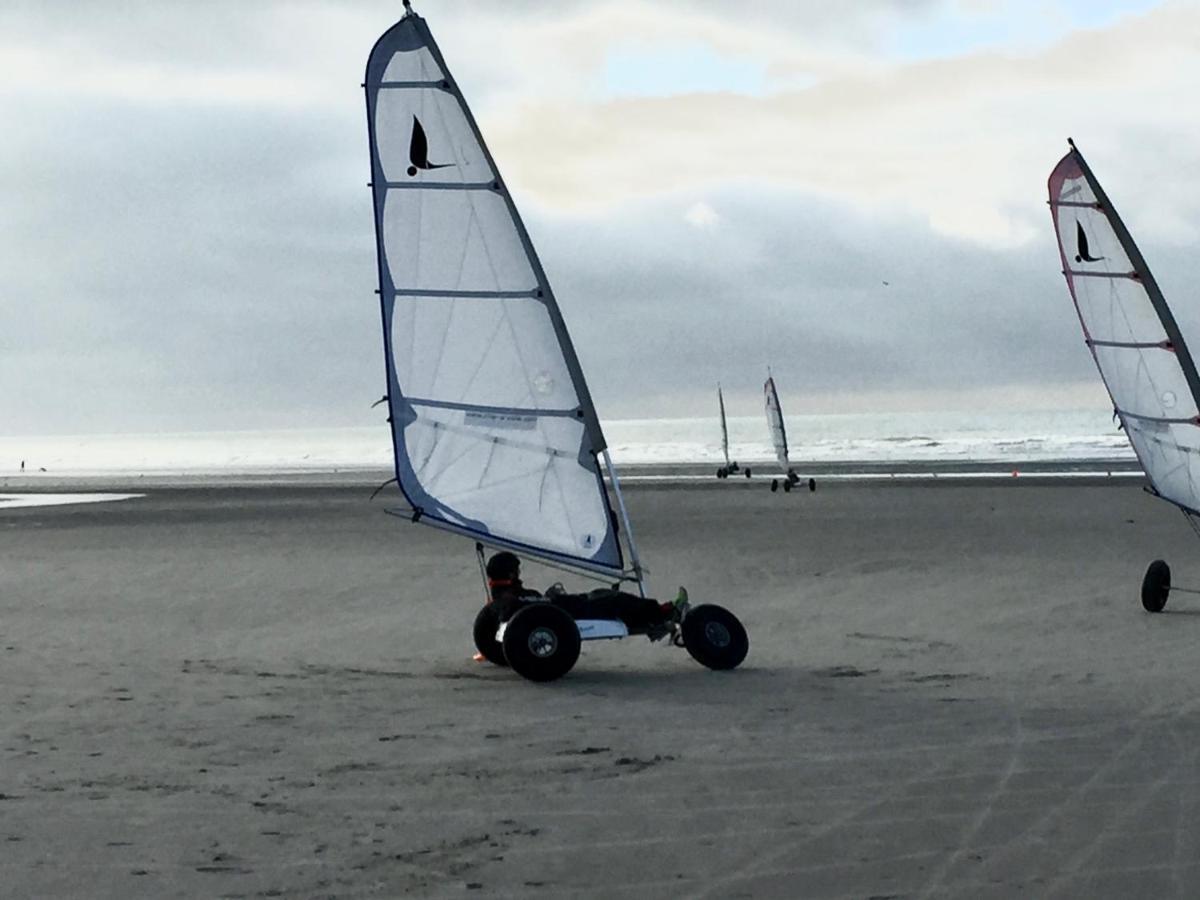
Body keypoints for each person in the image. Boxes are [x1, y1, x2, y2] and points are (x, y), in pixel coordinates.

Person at [483, 551, 687, 635]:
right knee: (615, 600)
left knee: (601, 593)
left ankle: (649, 619)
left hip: (564, 607)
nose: (519, 573)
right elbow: (536, 605)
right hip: (569, 613)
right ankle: (664, 612)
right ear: (510, 573)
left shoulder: (500, 597)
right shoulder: (512, 598)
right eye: (517, 570)